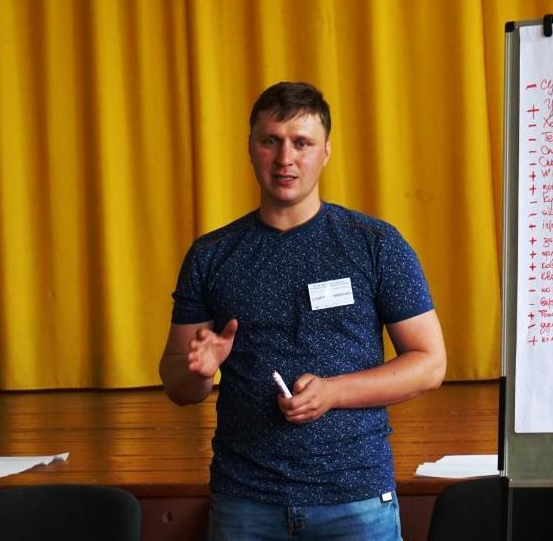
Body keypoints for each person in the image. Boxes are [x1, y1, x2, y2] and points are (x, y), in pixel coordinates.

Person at [159, 81, 447, 541]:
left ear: (326, 151)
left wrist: (333, 392)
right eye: (270, 141)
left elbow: (430, 364)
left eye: (301, 143)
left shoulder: (376, 244)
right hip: (245, 500)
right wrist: (199, 371)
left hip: (356, 497)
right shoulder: (211, 255)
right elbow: (178, 383)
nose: (285, 158)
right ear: (250, 148)